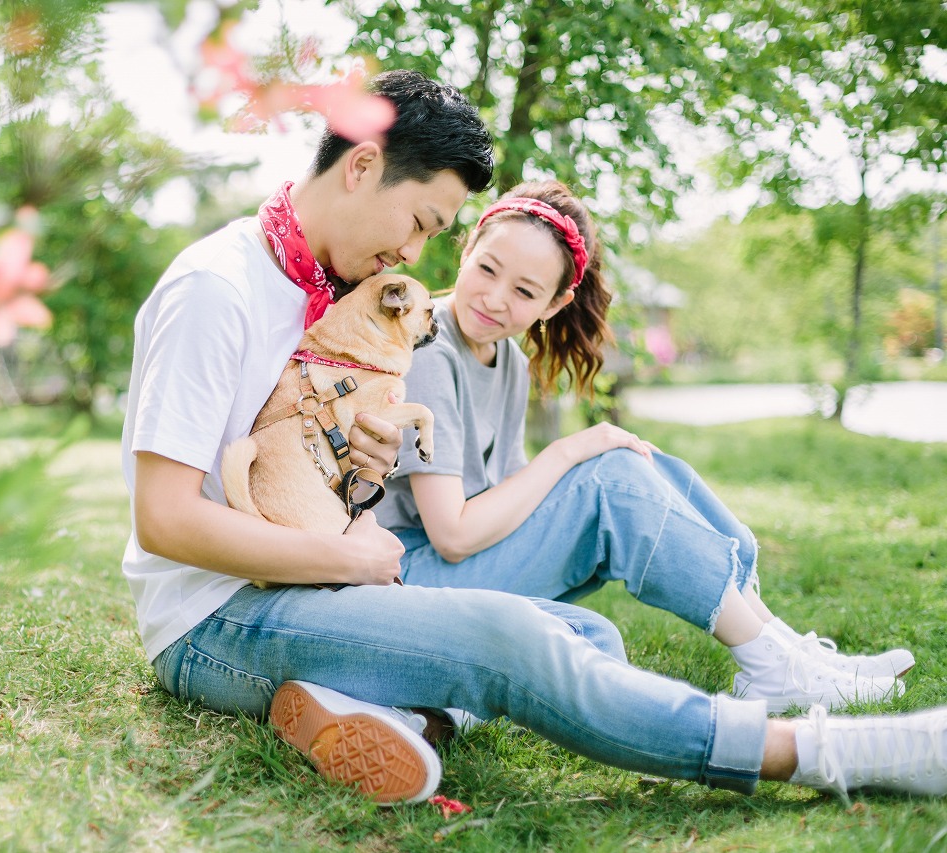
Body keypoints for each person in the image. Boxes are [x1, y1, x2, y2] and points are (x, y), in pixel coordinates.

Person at [121, 69, 947, 808]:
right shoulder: (217, 288)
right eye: (420, 222)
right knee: (517, 639)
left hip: (307, 574)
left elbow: (293, 458)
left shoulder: (325, 292)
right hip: (219, 618)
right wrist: (352, 559)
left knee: (589, 635)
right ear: (363, 165)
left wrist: (360, 475)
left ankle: (383, 707)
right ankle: (831, 750)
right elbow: (165, 520)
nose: (414, 254)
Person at [374, 180, 916, 716]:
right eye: (488, 269)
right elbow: (453, 534)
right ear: (467, 250)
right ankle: (773, 663)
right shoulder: (429, 347)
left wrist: (592, 465)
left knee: (634, 465)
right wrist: (568, 454)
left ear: (554, 303)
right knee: (609, 474)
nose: (494, 298)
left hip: (456, 570)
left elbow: (515, 500)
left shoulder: (508, 360)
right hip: (413, 580)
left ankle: (782, 647)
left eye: (524, 291)